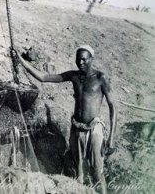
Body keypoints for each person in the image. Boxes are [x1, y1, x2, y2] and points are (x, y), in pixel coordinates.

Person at [12, 45, 116, 194]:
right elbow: (44, 77)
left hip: (94, 130)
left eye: (84, 60)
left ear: (91, 59)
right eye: (78, 59)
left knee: (98, 171)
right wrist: (21, 60)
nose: (80, 63)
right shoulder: (73, 76)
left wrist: (111, 138)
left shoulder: (100, 78)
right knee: (79, 171)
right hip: (76, 129)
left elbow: (113, 108)